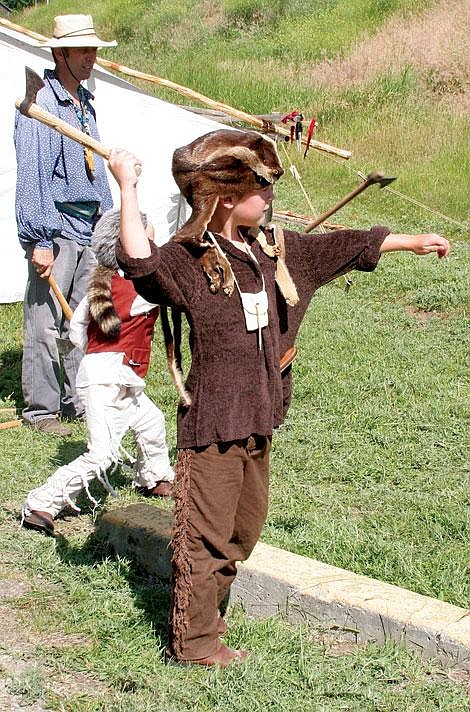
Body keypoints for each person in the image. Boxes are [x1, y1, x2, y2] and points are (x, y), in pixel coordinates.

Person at [107, 129, 450, 668]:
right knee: (205, 537)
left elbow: (341, 245)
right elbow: (142, 265)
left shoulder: (275, 253)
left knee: (242, 532)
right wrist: (126, 186)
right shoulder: (190, 260)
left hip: (261, 417)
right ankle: (194, 644)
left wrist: (409, 240)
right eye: (260, 189)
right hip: (213, 423)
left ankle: (209, 622)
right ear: (225, 197)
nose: (270, 198)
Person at [21, 209, 175, 536]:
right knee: (101, 455)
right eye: (147, 239)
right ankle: (41, 503)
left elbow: (77, 329)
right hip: (108, 381)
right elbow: (173, 295)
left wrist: (95, 355)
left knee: (151, 422)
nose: (153, 244)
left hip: (118, 376)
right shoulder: (138, 288)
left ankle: (155, 476)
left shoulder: (106, 282)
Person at [14, 15, 116, 436]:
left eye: (94, 50)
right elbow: (32, 174)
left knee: (81, 319)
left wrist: (108, 226)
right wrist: (39, 238)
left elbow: (98, 173)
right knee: (43, 319)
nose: (91, 58)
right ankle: (41, 409)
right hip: (54, 229)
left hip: (87, 228)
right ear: (60, 54)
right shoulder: (39, 104)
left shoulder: (85, 106)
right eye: (83, 51)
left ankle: (76, 398)